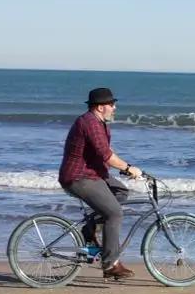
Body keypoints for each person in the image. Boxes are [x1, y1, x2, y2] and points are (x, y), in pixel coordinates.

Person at [58, 87, 143, 279]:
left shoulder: (99, 123)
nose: (114, 108)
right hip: (79, 178)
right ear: (99, 107)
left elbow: (103, 152)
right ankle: (110, 263)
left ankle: (89, 229)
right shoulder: (89, 123)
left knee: (120, 191)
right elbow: (106, 155)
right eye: (111, 104)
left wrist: (123, 168)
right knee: (114, 213)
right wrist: (129, 168)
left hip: (93, 174)